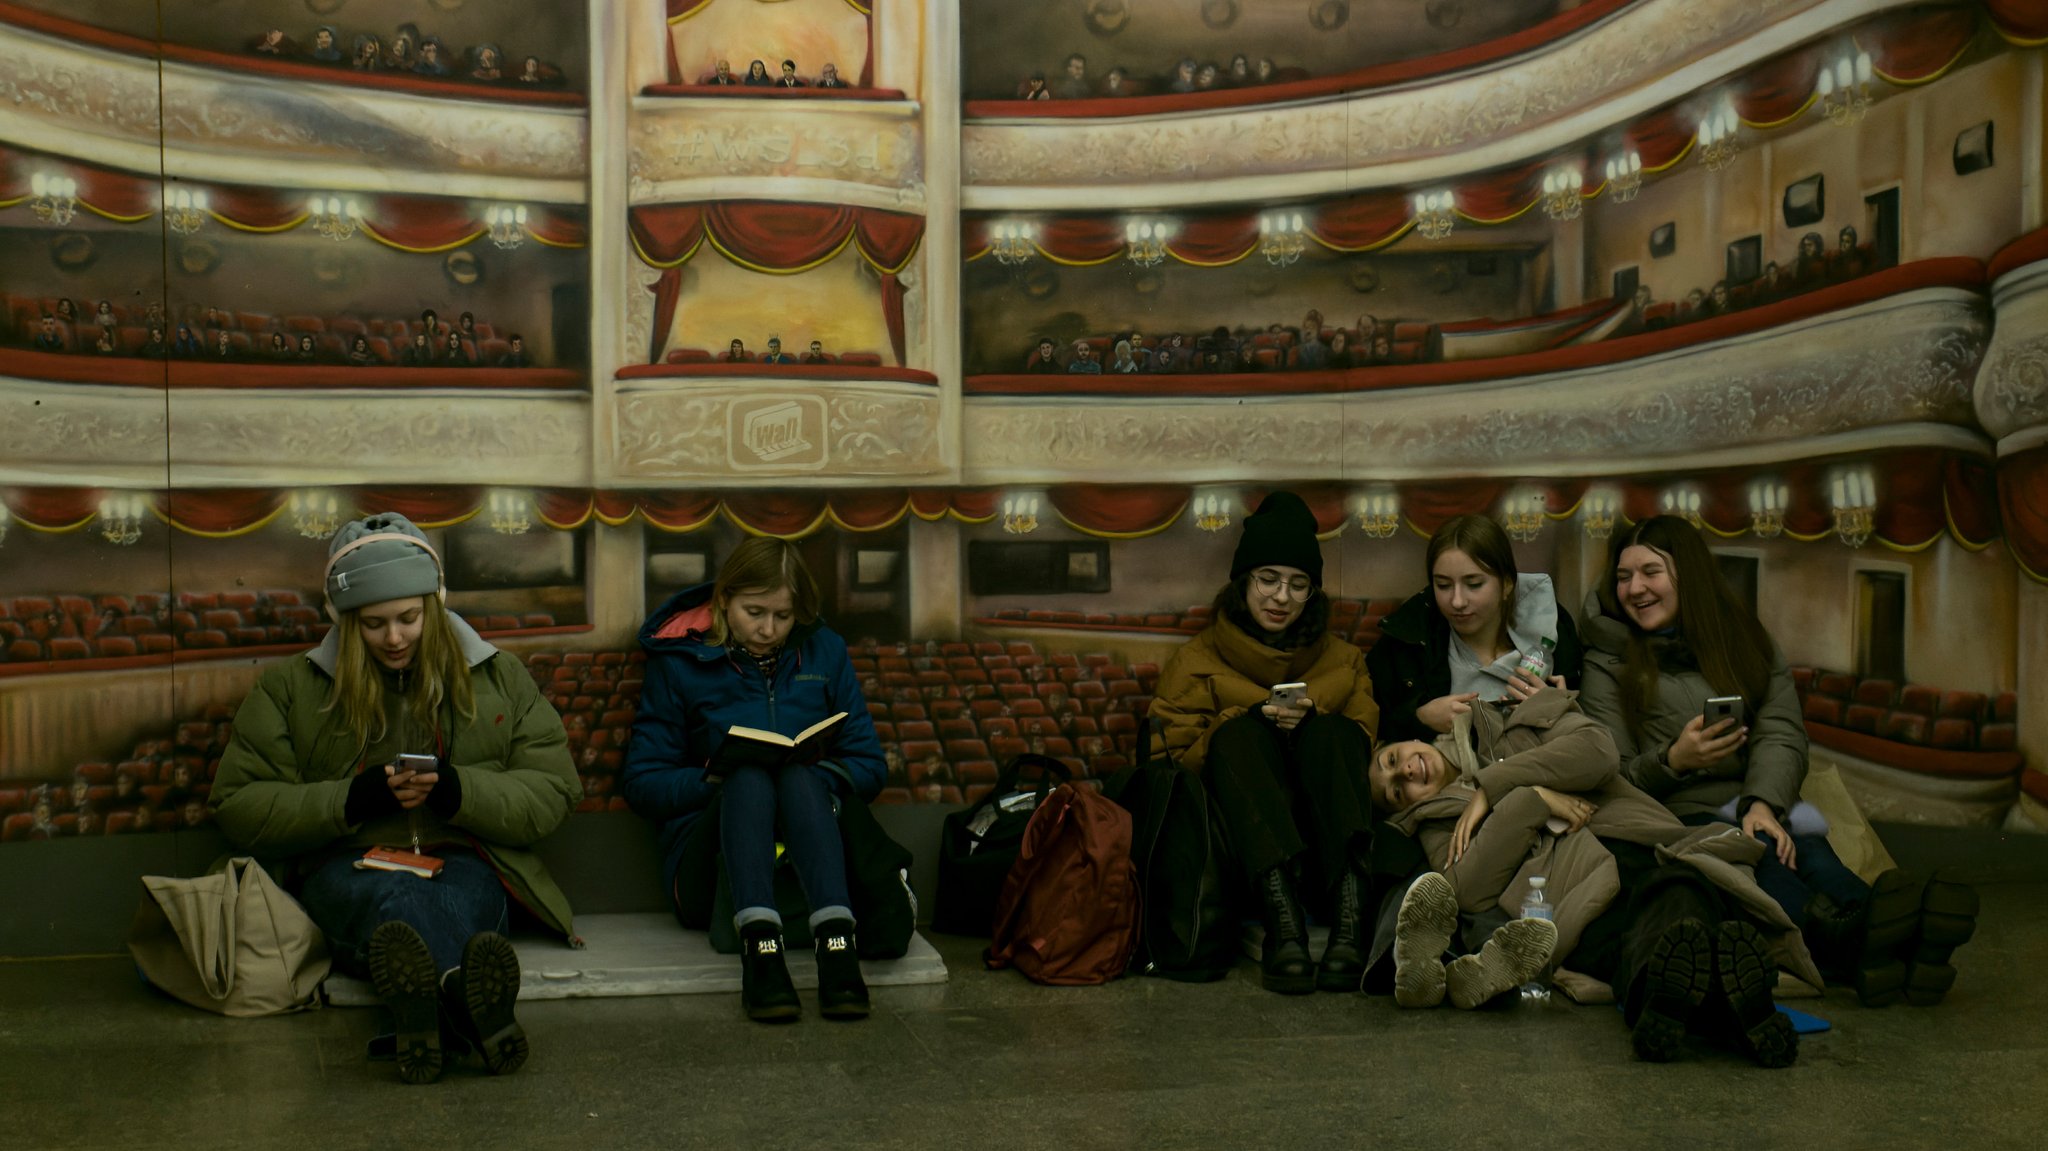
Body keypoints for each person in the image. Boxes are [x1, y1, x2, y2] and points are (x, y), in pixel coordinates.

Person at [208, 514, 579, 1084]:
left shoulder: (500, 676)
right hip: (347, 862)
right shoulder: (288, 688)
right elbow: (238, 805)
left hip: (468, 857)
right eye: (374, 624)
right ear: (344, 622)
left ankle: (431, 1008)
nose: (395, 638)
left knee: (448, 899)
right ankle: (468, 1004)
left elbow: (553, 790)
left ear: (435, 605)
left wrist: (457, 790)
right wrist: (352, 799)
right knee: (394, 899)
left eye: (409, 618)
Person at [1579, 515, 1977, 1007]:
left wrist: (1763, 803)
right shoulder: (1606, 658)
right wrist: (1674, 759)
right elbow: (1609, 770)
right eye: (1623, 576)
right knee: (1762, 866)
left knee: (1811, 855)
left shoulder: (1743, 638)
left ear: (1688, 575)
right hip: (1674, 816)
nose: (1635, 588)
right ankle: (1881, 946)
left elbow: (1781, 728)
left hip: (1753, 801)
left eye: (1650, 572)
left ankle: (1890, 940)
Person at [1370, 687, 1814, 1067]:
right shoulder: (1435, 822)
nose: (1405, 773)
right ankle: (1736, 1012)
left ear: (1409, 740)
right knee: (1668, 915)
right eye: (1395, 791)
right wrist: (1532, 797)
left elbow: (1598, 754)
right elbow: (1467, 887)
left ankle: (1663, 1006)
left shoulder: (1518, 718)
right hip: (1574, 893)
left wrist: (1494, 785)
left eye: (1394, 758)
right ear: (1404, 808)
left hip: (1643, 842)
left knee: (1678, 895)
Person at [622, 538, 888, 1022]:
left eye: (783, 616)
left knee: (798, 777)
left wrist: (813, 775)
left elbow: (869, 762)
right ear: (724, 599)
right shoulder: (680, 661)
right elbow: (643, 781)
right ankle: (761, 953)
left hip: (810, 852)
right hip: (710, 866)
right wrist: (713, 778)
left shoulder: (824, 651)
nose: (768, 629)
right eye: (754, 612)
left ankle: (837, 948)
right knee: (747, 776)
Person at [1150, 492, 1382, 994]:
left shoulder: (1343, 662)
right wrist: (1246, 719)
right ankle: (1285, 928)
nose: (1281, 597)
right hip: (1242, 854)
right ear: (1242, 583)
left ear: (1312, 595)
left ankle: (1349, 926)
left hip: (1330, 844)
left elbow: (1367, 752)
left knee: (1335, 732)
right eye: (1268, 580)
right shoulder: (1196, 661)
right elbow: (1169, 763)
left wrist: (1313, 722)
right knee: (1237, 735)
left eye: (1298, 585)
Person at [1368, 514, 1585, 749]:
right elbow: (1368, 730)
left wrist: (1558, 714)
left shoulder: (1553, 635)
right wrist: (1420, 718)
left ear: (1507, 585)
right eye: (1443, 585)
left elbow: (1588, 743)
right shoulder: (1406, 641)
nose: (1457, 601)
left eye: (1474, 584)